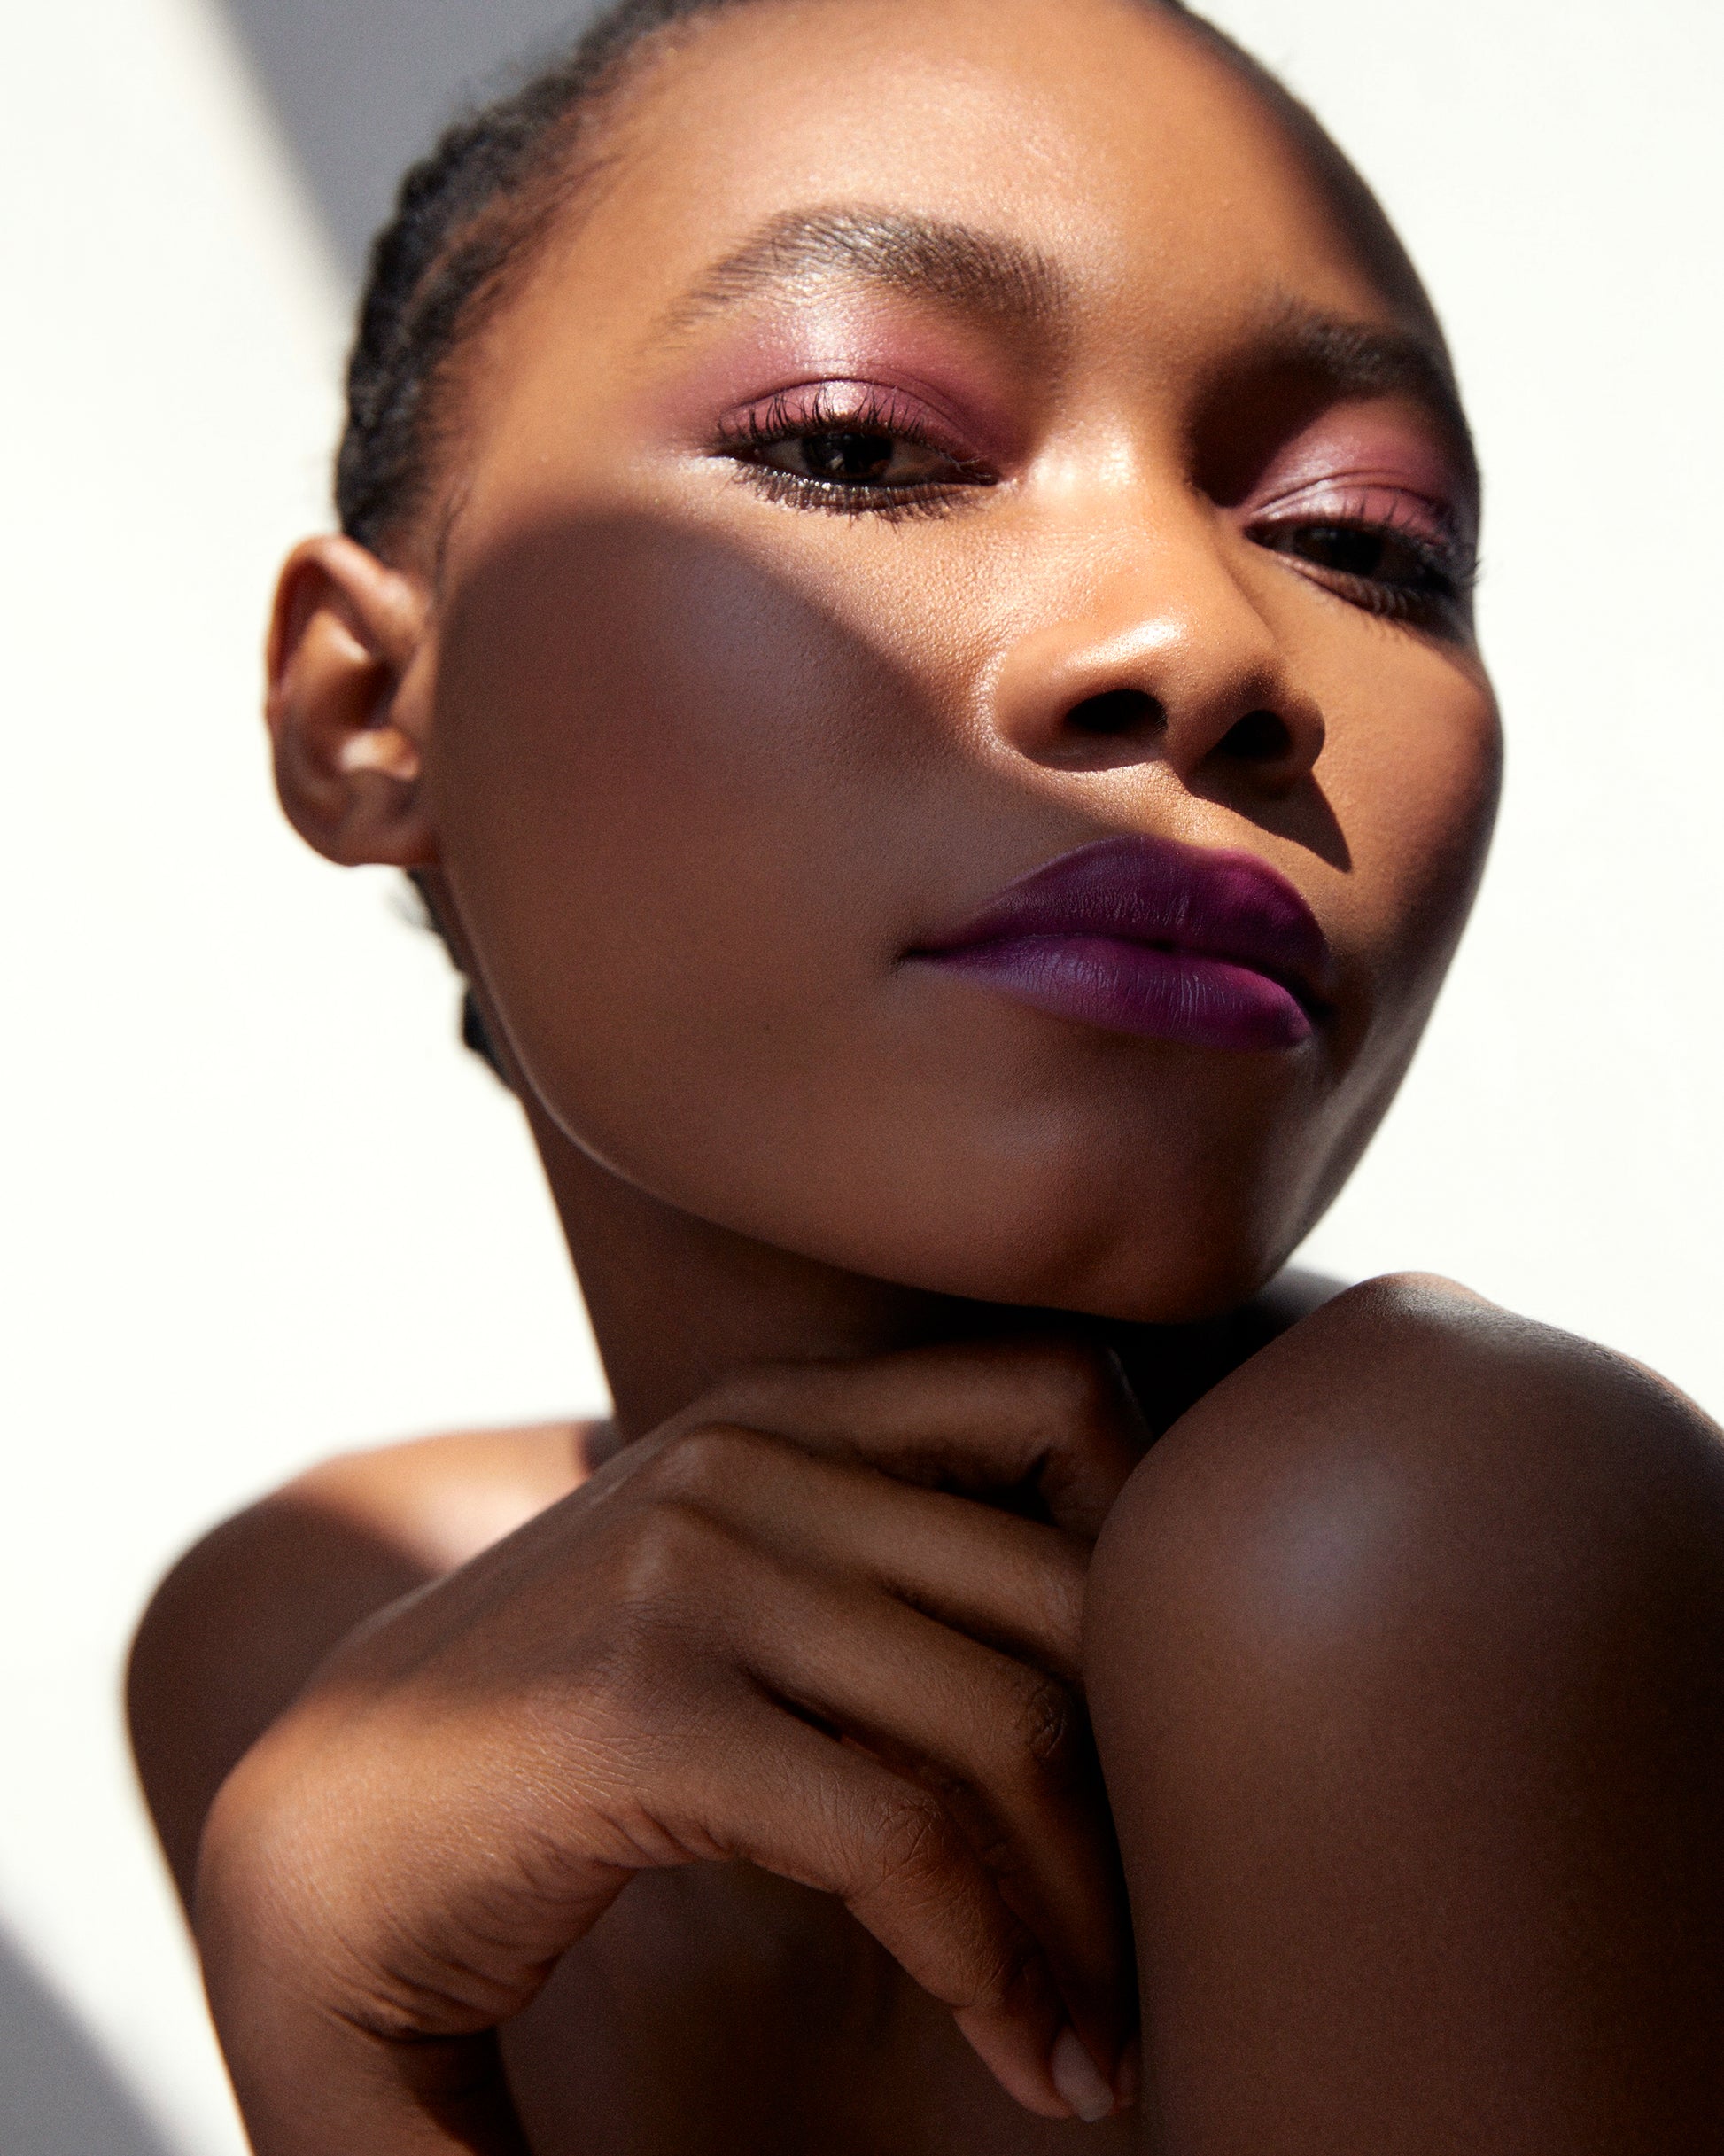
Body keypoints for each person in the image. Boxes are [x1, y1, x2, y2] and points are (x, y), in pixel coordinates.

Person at [126, 0, 1724, 2148]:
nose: (1209, 642)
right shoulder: (322, 1653)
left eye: (1362, 541)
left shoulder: (1411, 1549)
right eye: (859, 442)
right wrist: (324, 1975)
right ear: (364, 711)